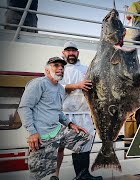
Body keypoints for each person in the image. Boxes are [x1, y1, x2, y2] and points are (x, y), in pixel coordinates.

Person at [18, 57, 91, 180]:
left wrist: (70, 124)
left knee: (84, 139)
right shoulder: (38, 83)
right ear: (47, 70)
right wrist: (32, 132)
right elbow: (24, 108)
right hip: (42, 135)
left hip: (58, 131)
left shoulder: (60, 88)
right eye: (55, 65)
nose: (60, 69)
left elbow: (58, 112)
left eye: (62, 67)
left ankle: (80, 176)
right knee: (39, 174)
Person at [50, 42, 102, 180]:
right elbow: (56, 87)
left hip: (85, 113)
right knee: (59, 146)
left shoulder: (86, 69)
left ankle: (83, 175)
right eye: (68, 51)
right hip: (63, 114)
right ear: (63, 53)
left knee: (84, 144)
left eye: (73, 51)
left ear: (77, 53)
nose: (71, 53)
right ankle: (54, 175)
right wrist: (77, 85)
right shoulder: (59, 69)